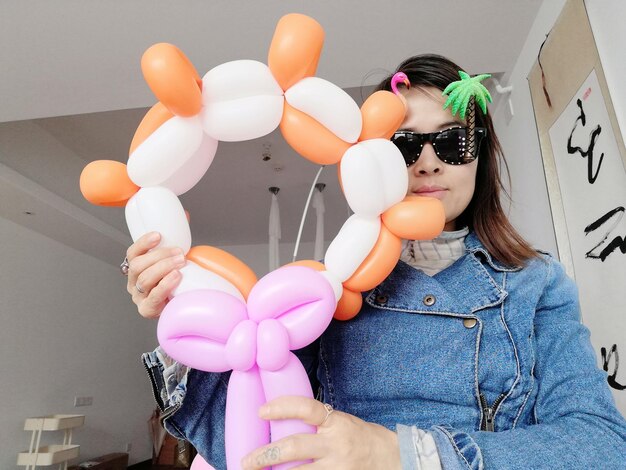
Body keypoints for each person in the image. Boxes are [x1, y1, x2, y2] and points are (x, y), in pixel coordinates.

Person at [126, 55, 626, 469]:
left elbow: (600, 445)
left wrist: (398, 452)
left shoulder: (537, 284)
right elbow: (248, 438)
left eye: (453, 141)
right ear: (372, 158)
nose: (428, 162)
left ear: (481, 156)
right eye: (404, 143)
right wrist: (182, 308)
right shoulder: (323, 290)